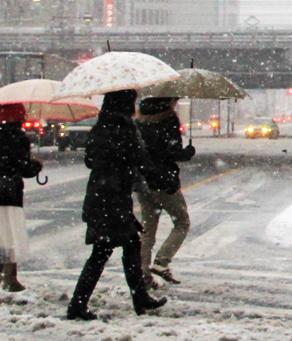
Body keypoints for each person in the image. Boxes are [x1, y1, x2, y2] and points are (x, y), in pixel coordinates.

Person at [67, 90, 166, 320]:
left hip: (102, 196)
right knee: (107, 251)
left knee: (122, 247)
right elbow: (137, 158)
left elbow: (90, 159)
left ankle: (136, 299)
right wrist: (161, 177)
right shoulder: (124, 128)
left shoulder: (101, 127)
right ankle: (78, 306)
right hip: (112, 198)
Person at [134, 96, 195, 285]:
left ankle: (143, 275)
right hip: (164, 181)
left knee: (147, 230)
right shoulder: (169, 120)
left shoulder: (138, 122)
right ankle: (162, 261)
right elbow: (172, 152)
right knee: (182, 222)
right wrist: (188, 152)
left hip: (143, 181)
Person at [0, 102, 44, 292]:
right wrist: (36, 165)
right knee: (10, 236)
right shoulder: (19, 139)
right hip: (10, 192)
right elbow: (24, 169)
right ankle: (9, 277)